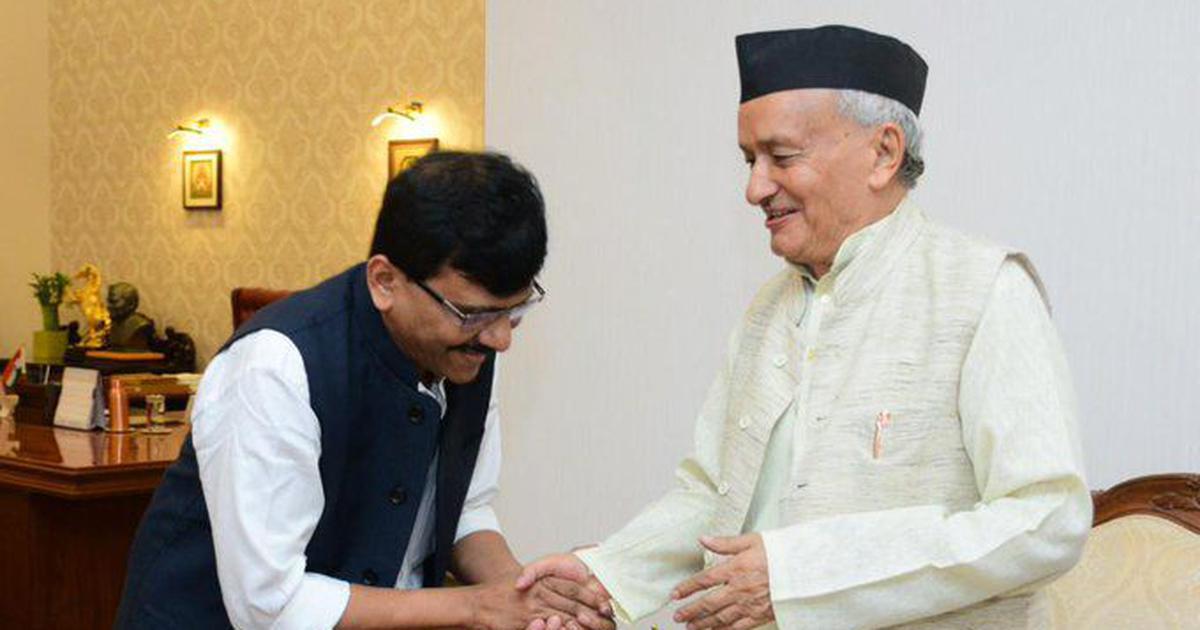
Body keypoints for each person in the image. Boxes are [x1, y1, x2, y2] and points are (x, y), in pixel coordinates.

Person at [519, 25, 1092, 629]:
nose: (754, 188)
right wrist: (606, 575)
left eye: (782, 157)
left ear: (883, 153)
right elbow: (715, 496)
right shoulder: (770, 308)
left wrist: (800, 576)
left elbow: (1047, 520)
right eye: (750, 160)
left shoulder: (983, 289)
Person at [116, 151, 614, 630]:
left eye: (515, 311)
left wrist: (524, 595)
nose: (500, 339)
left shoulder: (470, 347)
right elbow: (269, 606)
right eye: (472, 314)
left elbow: (463, 509)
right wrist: (478, 607)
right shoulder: (276, 366)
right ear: (384, 281)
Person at [106, 282, 155, 350]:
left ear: (131, 304)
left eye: (114, 302)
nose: (109, 306)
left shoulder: (140, 325)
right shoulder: (110, 324)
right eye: (108, 301)